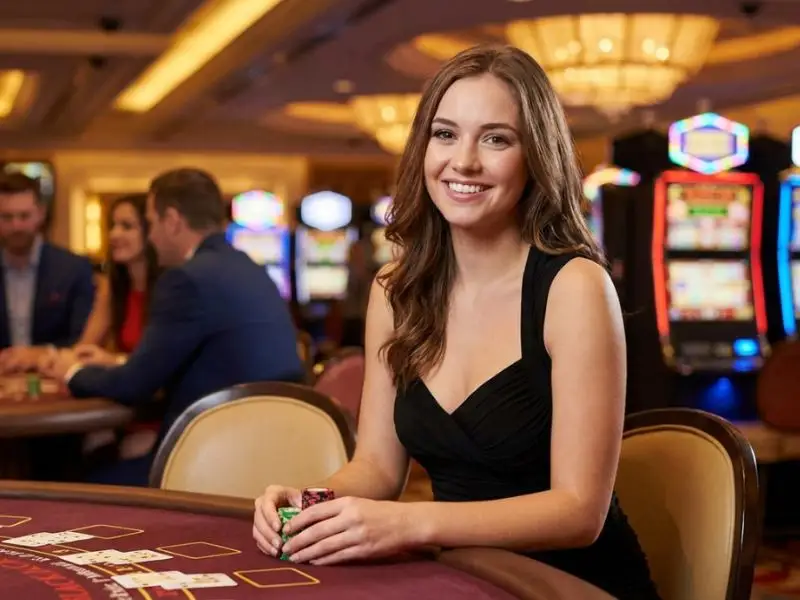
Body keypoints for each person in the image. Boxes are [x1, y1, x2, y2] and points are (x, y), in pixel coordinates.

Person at [252, 45, 661, 600]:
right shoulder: (395, 292)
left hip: (570, 584)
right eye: (445, 135)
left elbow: (577, 511)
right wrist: (311, 502)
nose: (463, 161)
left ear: (534, 157)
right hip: (461, 575)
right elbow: (375, 465)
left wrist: (414, 524)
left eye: (496, 138)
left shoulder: (574, 287)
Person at [40, 168, 305, 485]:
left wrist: (71, 372)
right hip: (272, 452)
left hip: (215, 464)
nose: (151, 237)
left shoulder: (185, 280)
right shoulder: (249, 267)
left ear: (173, 221)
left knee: (74, 482)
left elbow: (133, 385)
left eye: (151, 223)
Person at [0, 172, 94, 373]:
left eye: (24, 216)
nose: (16, 226)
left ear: (40, 214)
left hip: (55, 385)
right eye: (6, 217)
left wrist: (41, 353)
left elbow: (82, 342)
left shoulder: (73, 269)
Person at [75, 193, 160, 360]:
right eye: (112, 226)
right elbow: (84, 348)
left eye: (127, 227)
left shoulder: (170, 287)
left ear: (150, 232)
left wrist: (110, 360)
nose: (114, 235)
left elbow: (161, 363)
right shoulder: (112, 287)